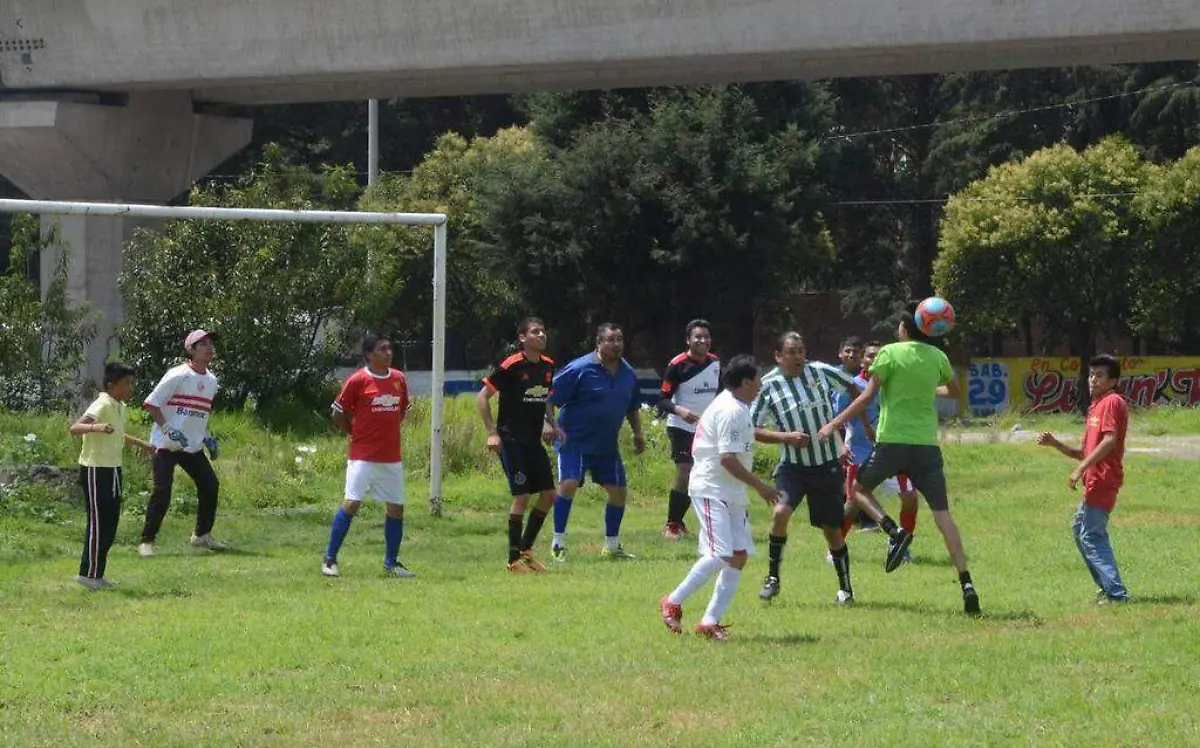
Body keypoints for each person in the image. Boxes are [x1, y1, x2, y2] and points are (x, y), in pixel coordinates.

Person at [819, 303, 981, 616]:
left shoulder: (890, 353)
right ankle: (967, 583)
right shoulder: (937, 356)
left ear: (906, 328)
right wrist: (922, 387)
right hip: (926, 446)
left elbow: (866, 397)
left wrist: (833, 424)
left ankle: (894, 531)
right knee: (943, 515)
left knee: (858, 492)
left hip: (892, 441)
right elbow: (954, 390)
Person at [659, 355, 781, 641]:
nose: (761, 385)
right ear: (747, 382)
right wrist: (761, 486)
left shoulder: (736, 406)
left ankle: (709, 621)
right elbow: (727, 459)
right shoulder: (730, 410)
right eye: (758, 380)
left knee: (737, 556)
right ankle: (673, 601)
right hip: (712, 489)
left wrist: (785, 438)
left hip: (731, 492)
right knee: (720, 554)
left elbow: (745, 442)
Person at [751, 332, 862, 605]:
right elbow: (751, 428)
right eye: (791, 352)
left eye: (800, 351)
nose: (798, 356)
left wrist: (836, 424)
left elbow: (856, 391)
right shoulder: (768, 386)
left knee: (831, 530)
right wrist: (784, 437)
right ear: (778, 356)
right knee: (780, 513)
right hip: (793, 468)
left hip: (825, 467)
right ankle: (773, 578)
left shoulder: (821, 372)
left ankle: (845, 589)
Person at [1036, 354, 1130, 604]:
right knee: (1080, 530)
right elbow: (1084, 453)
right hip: (1094, 479)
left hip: (1103, 479)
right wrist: (1055, 444)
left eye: (1100, 375)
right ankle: (1107, 587)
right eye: (1091, 374)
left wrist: (1080, 470)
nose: (1093, 379)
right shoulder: (1094, 407)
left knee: (1091, 535)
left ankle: (1116, 594)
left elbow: (1109, 442)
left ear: (1113, 381)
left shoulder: (1112, 402)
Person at [548, 322, 646, 562]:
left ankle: (611, 546)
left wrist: (638, 433)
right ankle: (558, 543)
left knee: (619, 492)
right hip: (574, 440)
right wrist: (549, 424)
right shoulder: (579, 368)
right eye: (611, 340)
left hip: (606, 445)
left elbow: (632, 407)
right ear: (599, 343)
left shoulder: (628, 373)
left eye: (620, 339)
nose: (616, 344)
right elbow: (549, 396)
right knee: (569, 483)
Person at [322, 332, 415, 578]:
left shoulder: (398, 379)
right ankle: (330, 559)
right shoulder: (358, 380)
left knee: (396, 508)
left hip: (391, 456)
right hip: (362, 455)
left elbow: (402, 411)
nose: (388, 353)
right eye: (382, 349)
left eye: (389, 348)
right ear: (368, 354)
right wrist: (354, 432)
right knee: (352, 503)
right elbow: (337, 413)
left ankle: (391, 563)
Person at [477, 317, 563, 573]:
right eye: (535, 332)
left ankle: (526, 551)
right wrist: (493, 433)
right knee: (522, 495)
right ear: (522, 338)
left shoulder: (547, 366)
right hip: (511, 440)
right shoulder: (511, 365)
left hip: (532, 440)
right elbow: (482, 397)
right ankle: (513, 559)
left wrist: (550, 422)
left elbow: (546, 399)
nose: (541, 335)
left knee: (549, 495)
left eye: (543, 331)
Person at [138, 330, 226, 557]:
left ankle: (201, 535)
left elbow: (201, 413)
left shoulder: (211, 381)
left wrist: (206, 436)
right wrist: (168, 429)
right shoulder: (177, 375)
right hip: (166, 445)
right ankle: (147, 541)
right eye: (203, 344)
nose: (209, 348)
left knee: (210, 485)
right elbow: (151, 404)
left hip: (192, 447)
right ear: (191, 350)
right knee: (162, 492)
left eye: (210, 344)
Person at [69, 362, 154, 589]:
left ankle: (97, 573)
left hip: (113, 469)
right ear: (111, 385)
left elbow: (117, 433)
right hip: (95, 469)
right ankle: (88, 575)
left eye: (131, 383)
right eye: (126, 384)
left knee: (110, 523)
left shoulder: (119, 406)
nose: (130, 388)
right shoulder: (102, 403)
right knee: (97, 523)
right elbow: (75, 428)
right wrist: (96, 428)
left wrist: (141, 443)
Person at [833, 340, 920, 560]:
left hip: (891, 452)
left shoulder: (893, 384)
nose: (874, 360)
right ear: (863, 360)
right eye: (870, 356)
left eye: (879, 356)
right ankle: (836, 546)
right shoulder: (851, 386)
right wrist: (841, 445)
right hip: (860, 452)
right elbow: (834, 420)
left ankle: (901, 546)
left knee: (910, 497)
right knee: (853, 503)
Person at [657, 319, 720, 540]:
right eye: (698, 337)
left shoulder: (715, 363)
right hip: (681, 427)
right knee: (684, 471)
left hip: (707, 429)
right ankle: (672, 524)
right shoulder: (677, 365)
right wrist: (680, 411)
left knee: (705, 475)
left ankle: (704, 522)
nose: (703, 341)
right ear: (688, 340)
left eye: (706, 337)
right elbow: (662, 400)